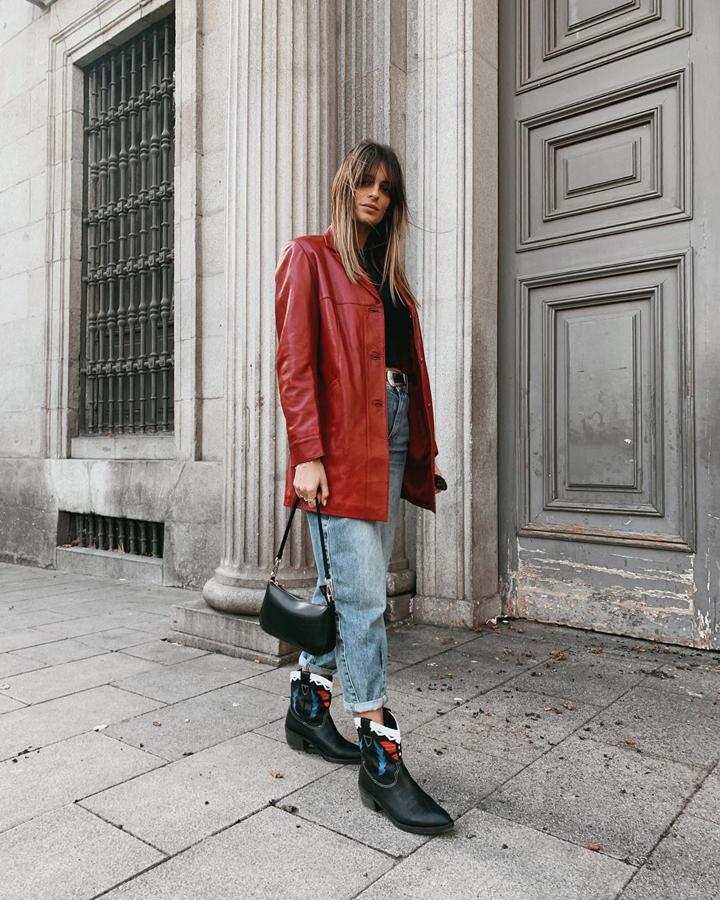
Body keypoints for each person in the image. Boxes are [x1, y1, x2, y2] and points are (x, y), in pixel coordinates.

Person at [274, 139, 453, 835]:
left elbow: (407, 368)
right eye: (366, 182)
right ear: (345, 185)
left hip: (393, 436)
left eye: (388, 187)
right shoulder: (309, 257)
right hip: (340, 447)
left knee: (342, 590)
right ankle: (381, 757)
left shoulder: (393, 281)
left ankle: (308, 708)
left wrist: (417, 450)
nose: (376, 194)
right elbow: (295, 363)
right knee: (365, 598)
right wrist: (307, 454)